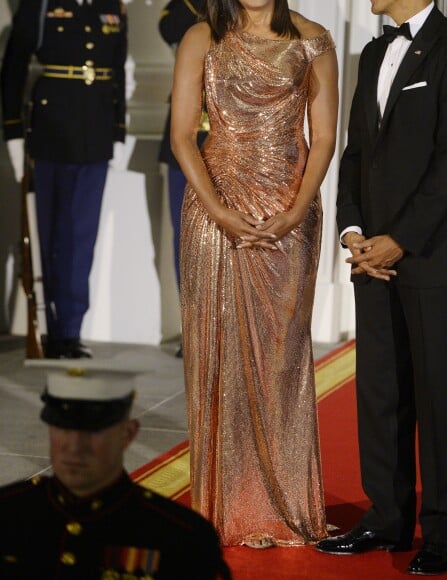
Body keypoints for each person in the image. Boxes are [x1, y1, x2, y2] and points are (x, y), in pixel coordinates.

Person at [315, 0, 447, 575]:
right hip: (372, 257)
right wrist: (353, 229)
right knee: (381, 392)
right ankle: (386, 516)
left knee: (439, 398)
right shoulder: (371, 52)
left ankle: (444, 532)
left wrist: (402, 238)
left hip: (433, 257)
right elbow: (357, 152)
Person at [170, 0, 338, 548]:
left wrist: (294, 211)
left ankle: (280, 505)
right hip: (214, 211)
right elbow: (181, 137)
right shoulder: (202, 37)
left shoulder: (314, 39)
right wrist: (220, 212)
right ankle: (227, 507)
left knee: (281, 355)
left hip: (291, 211)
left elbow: (325, 139)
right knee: (216, 352)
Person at [0, 365, 230, 579]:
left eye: (93, 431)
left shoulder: (180, 537)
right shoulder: (10, 513)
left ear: (127, 434)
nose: (75, 447)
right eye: (63, 428)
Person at [0, 0, 128, 359]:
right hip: (51, 131)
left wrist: (119, 130)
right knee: (47, 236)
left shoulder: (112, 6)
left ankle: (69, 330)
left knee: (81, 238)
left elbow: (116, 70)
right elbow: (13, 68)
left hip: (97, 132)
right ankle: (45, 321)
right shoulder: (40, 5)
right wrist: (12, 133)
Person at [158, 0, 208, 358]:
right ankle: (194, 331)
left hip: (237, 138)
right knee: (186, 241)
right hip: (187, 136)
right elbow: (170, 29)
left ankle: (226, 331)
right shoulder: (186, 6)